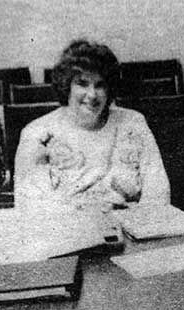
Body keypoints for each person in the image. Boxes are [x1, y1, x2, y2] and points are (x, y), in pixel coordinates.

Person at [14, 39, 170, 211]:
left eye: (100, 85)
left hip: (131, 228)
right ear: (67, 86)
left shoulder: (133, 122)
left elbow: (158, 190)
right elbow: (29, 205)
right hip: (67, 231)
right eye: (82, 83)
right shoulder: (36, 132)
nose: (92, 94)